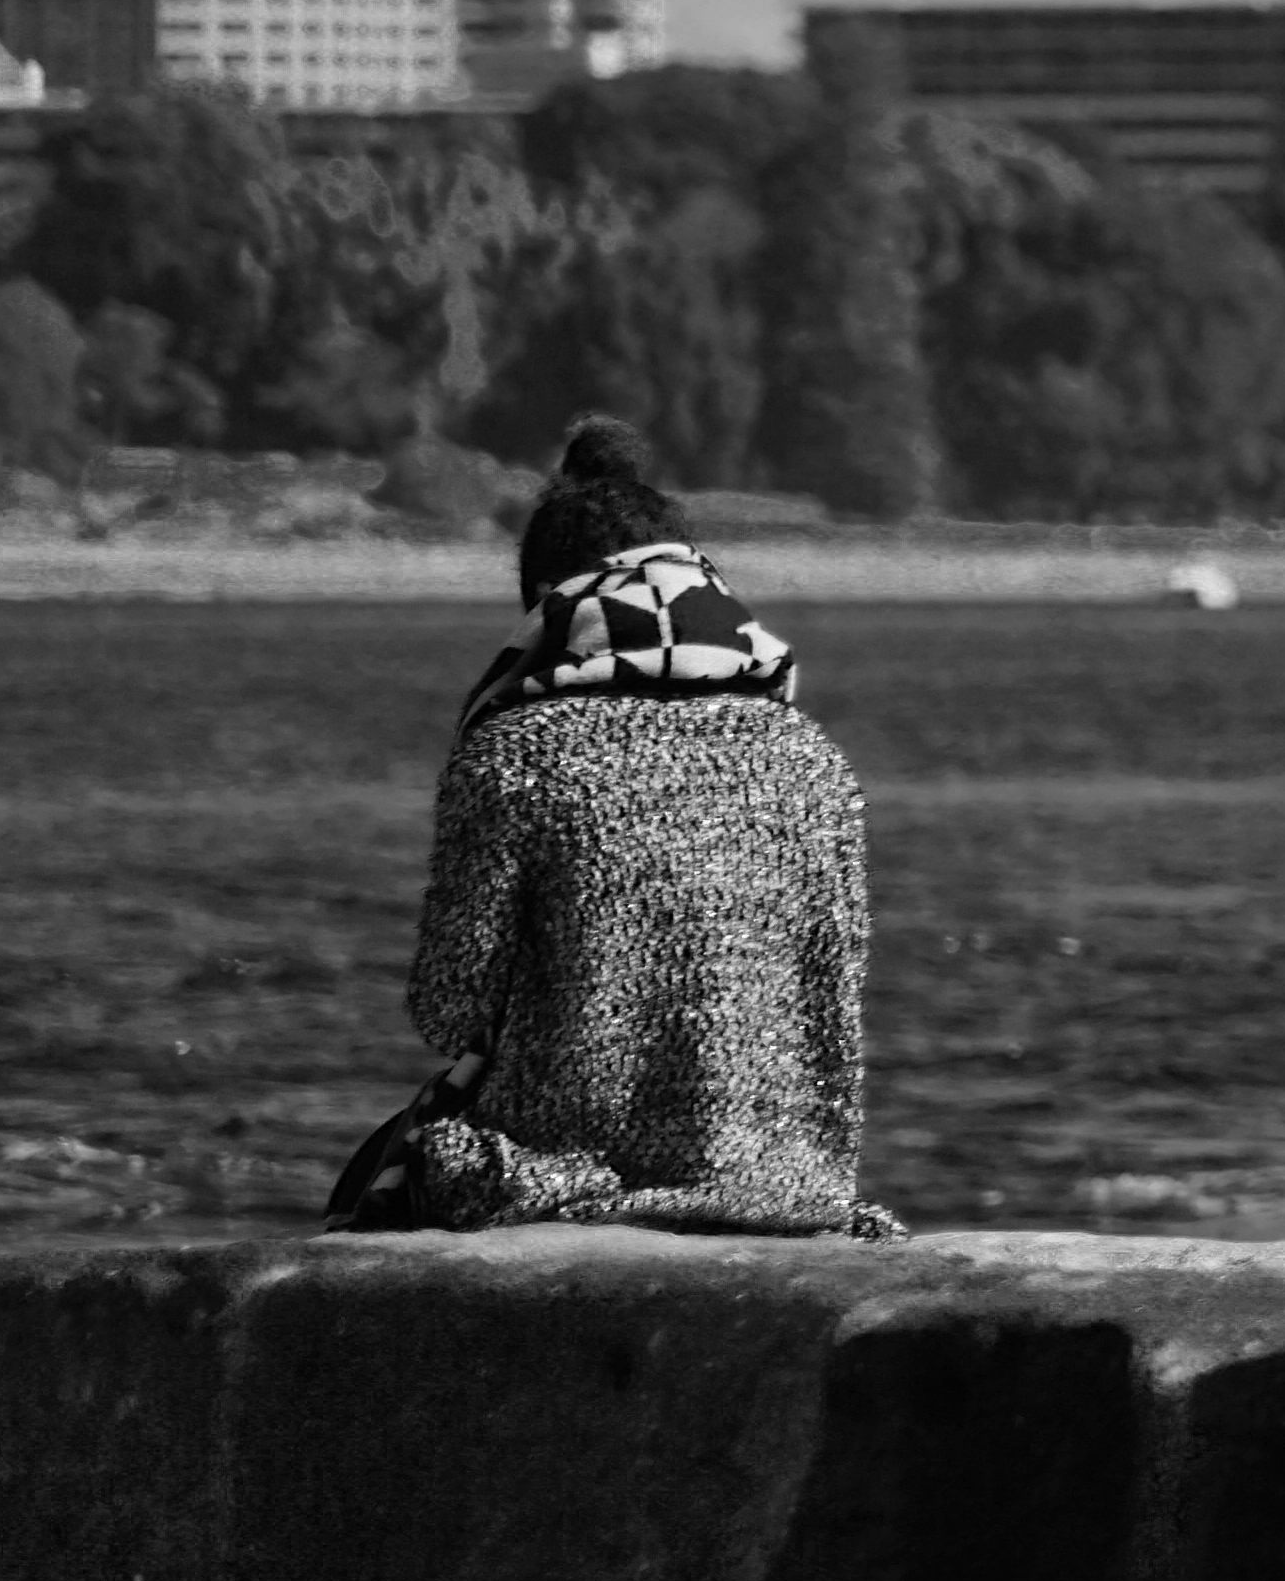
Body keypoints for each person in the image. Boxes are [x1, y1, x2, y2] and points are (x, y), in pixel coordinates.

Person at [342, 417, 900, 1237]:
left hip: (555, 1179)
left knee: (374, 1181)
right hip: (787, 1187)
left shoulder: (515, 750)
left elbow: (447, 1011)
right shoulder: (814, 757)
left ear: (549, 605)